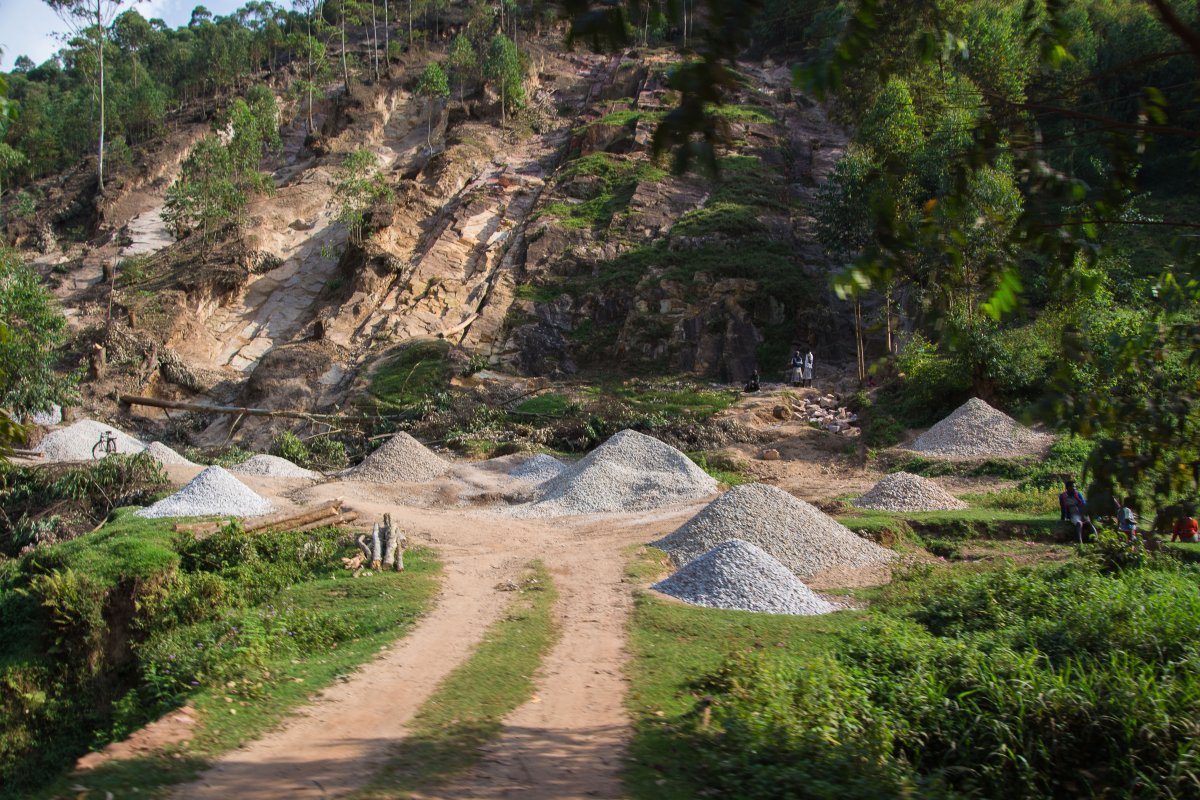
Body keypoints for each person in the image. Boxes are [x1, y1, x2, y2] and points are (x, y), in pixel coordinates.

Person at [1059, 480, 1097, 545]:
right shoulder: (1063, 497)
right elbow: (1063, 508)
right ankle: (1079, 542)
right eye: (1072, 487)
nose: (1074, 488)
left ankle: (1095, 539)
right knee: (1079, 523)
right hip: (1073, 514)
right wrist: (1063, 518)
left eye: (1075, 487)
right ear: (1067, 488)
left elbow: (1084, 504)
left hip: (1082, 513)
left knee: (1088, 523)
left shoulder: (1078, 494)